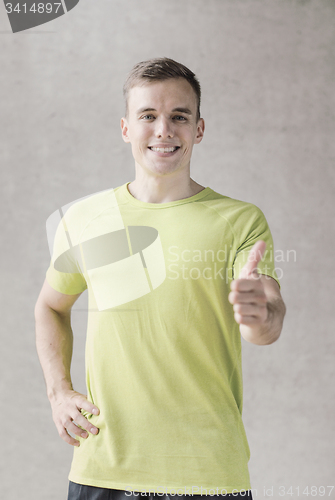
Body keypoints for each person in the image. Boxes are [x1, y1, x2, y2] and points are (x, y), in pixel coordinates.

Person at [34, 57, 286, 500]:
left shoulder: (240, 221)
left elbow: (265, 322)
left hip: (207, 474)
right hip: (103, 469)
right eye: (148, 116)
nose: (164, 130)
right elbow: (51, 306)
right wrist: (59, 391)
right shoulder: (86, 219)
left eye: (179, 117)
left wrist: (258, 313)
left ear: (199, 129)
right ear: (126, 128)